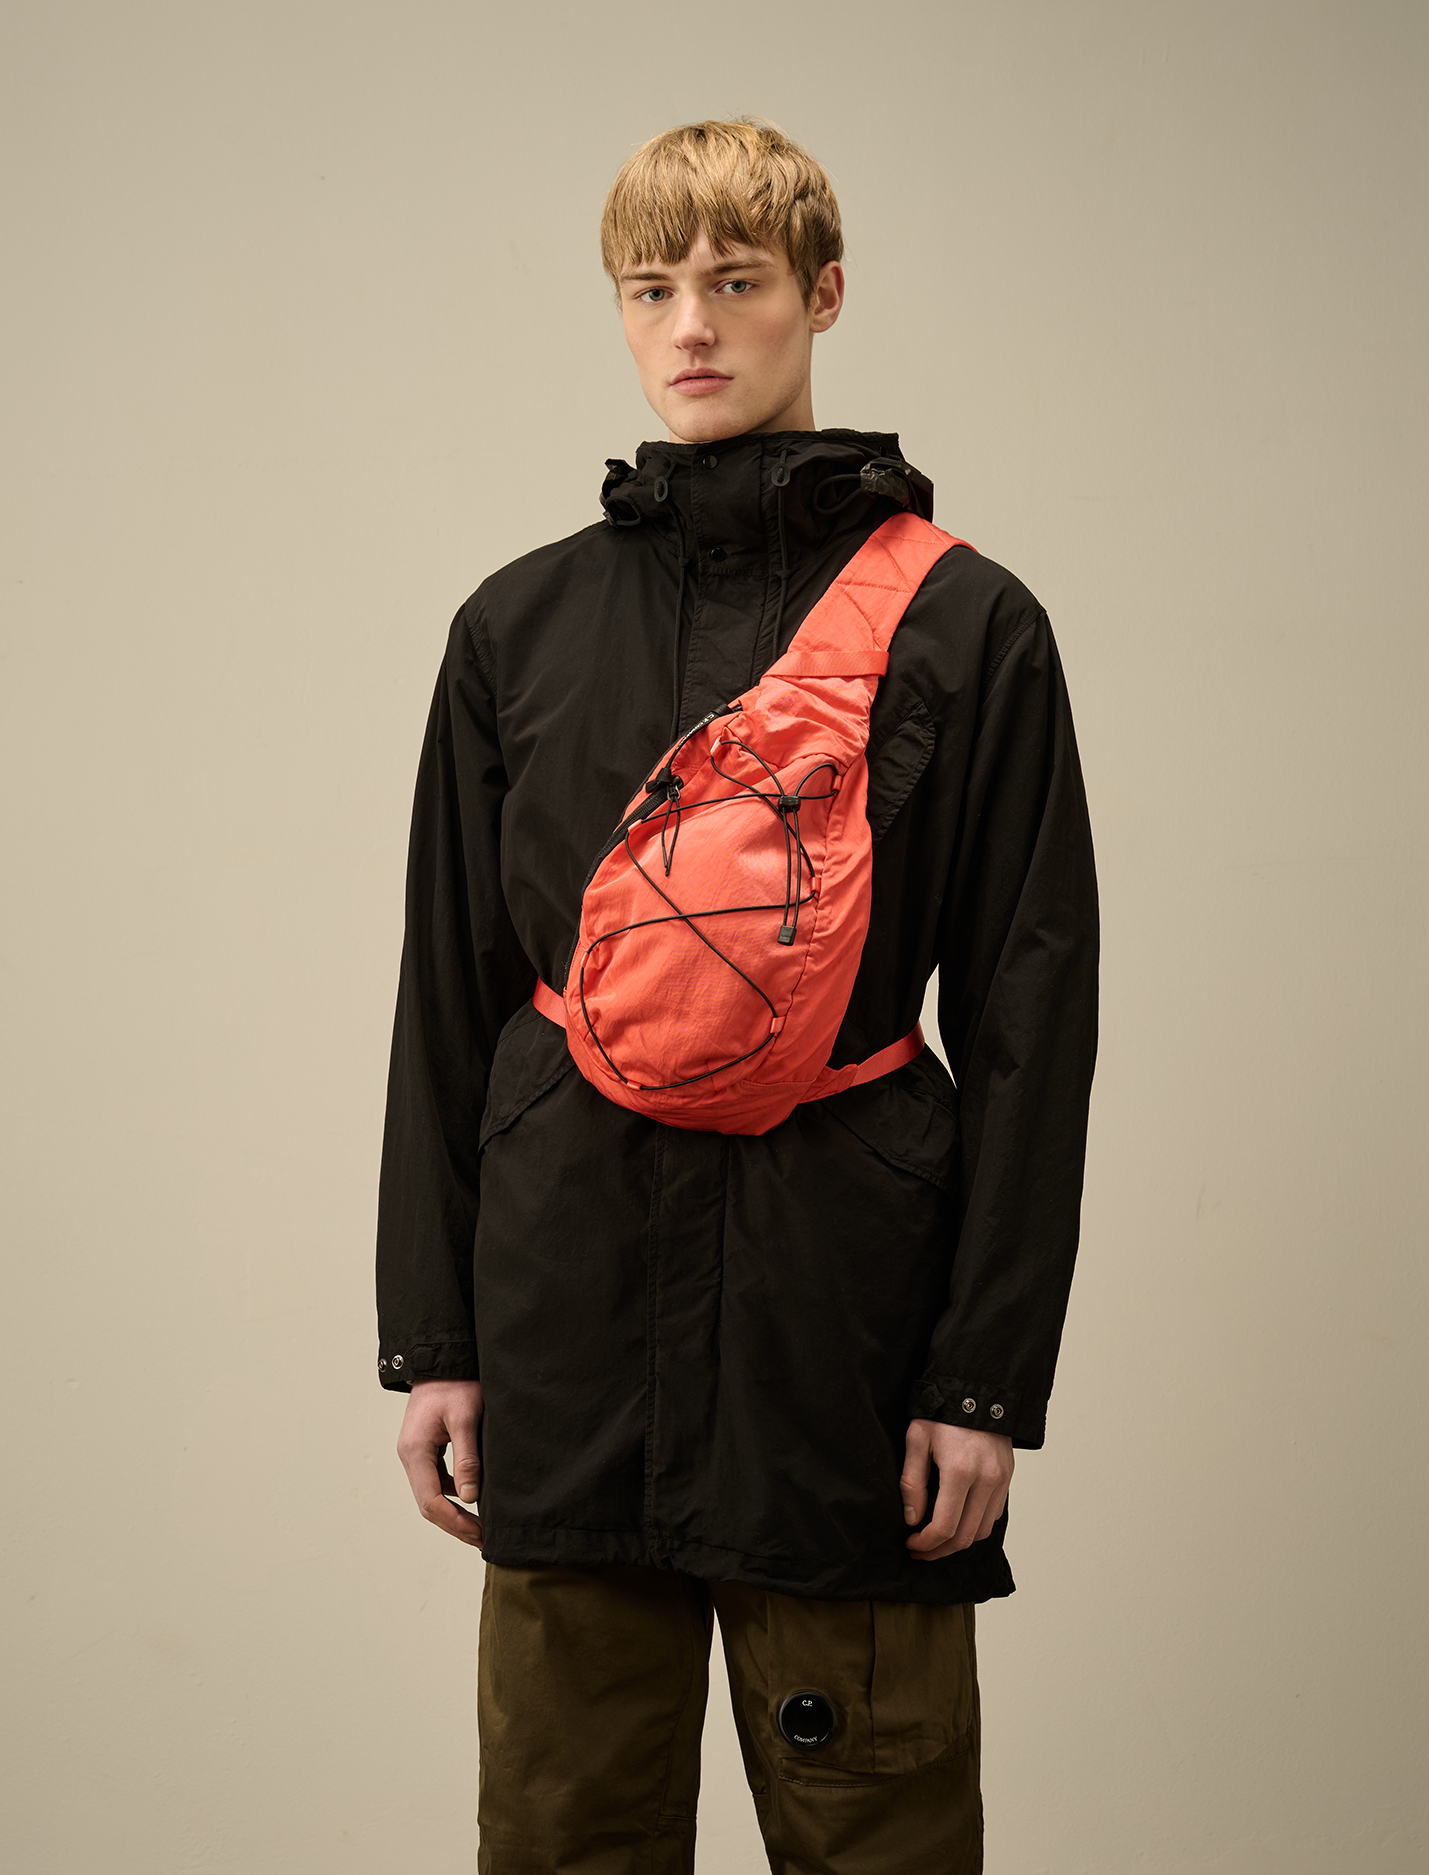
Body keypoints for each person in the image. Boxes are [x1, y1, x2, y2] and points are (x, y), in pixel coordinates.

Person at [376, 118, 1099, 1875]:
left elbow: (1032, 1017)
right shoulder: (516, 629)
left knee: (877, 1842)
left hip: (841, 1332)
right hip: (566, 1318)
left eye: (737, 281)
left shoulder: (969, 628)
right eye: (651, 289)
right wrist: (436, 1339)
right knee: (566, 1838)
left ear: (823, 295)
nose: (691, 325)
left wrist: (985, 1380)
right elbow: (452, 994)